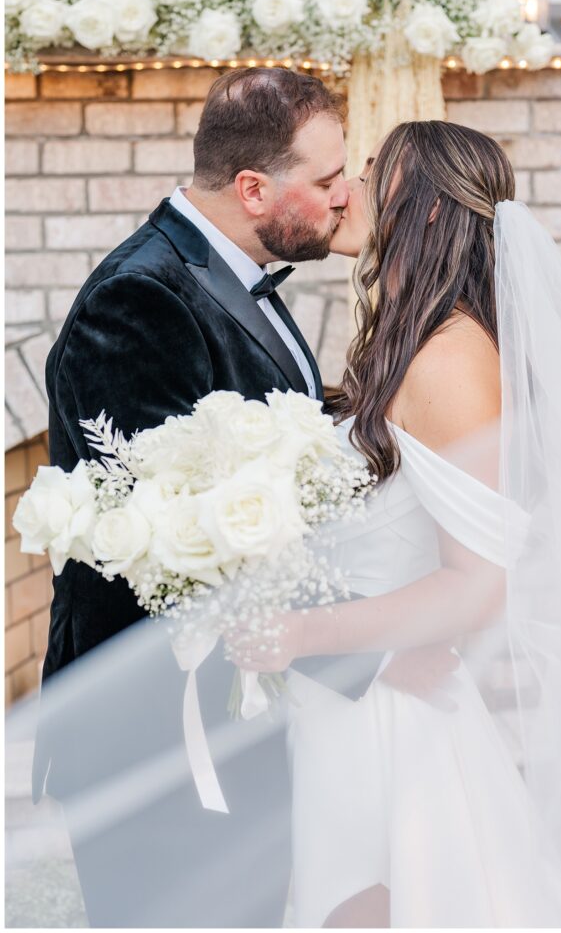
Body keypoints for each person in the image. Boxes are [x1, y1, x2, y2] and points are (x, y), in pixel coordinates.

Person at [229, 121, 561, 928]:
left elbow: (478, 584)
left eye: (371, 172)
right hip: (365, 695)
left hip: (394, 726)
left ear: (428, 213)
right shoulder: (412, 339)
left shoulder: (448, 355)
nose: (349, 189)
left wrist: (301, 633)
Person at [33, 66, 399, 928]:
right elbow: (175, 546)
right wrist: (374, 647)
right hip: (163, 737)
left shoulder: (235, 274)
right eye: (325, 180)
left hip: (238, 715)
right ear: (252, 188)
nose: (347, 196)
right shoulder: (140, 298)